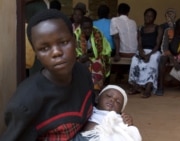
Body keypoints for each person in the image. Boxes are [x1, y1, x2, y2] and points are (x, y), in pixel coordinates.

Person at [0, 9, 95, 140]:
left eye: (63, 42)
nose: (56, 52)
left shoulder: (82, 73)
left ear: (74, 41)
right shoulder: (25, 104)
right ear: (36, 54)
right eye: (44, 48)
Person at [73, 85, 142, 141]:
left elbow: (131, 136)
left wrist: (130, 125)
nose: (112, 100)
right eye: (108, 96)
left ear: (120, 111)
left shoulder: (118, 118)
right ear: (97, 99)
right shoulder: (88, 110)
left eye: (118, 102)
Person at [156, 18, 180, 99]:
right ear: (179, 29)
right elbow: (164, 48)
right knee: (163, 58)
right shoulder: (169, 31)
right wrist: (174, 61)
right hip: (170, 53)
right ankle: (160, 87)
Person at [128, 8, 163, 98]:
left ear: (154, 18)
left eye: (151, 16)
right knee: (135, 60)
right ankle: (135, 86)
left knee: (153, 61)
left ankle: (148, 88)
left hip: (154, 51)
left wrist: (149, 54)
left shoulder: (158, 28)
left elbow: (157, 44)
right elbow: (139, 43)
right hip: (143, 50)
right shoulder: (141, 28)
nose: (148, 18)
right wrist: (141, 53)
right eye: (146, 15)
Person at [75, 17, 111, 94]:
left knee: (96, 64)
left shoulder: (97, 33)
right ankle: (84, 89)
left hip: (97, 56)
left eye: (89, 28)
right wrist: (83, 57)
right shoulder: (76, 34)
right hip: (80, 57)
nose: (88, 30)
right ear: (81, 27)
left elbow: (100, 51)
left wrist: (87, 56)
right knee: (84, 64)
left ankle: (96, 90)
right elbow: (75, 51)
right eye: (85, 28)